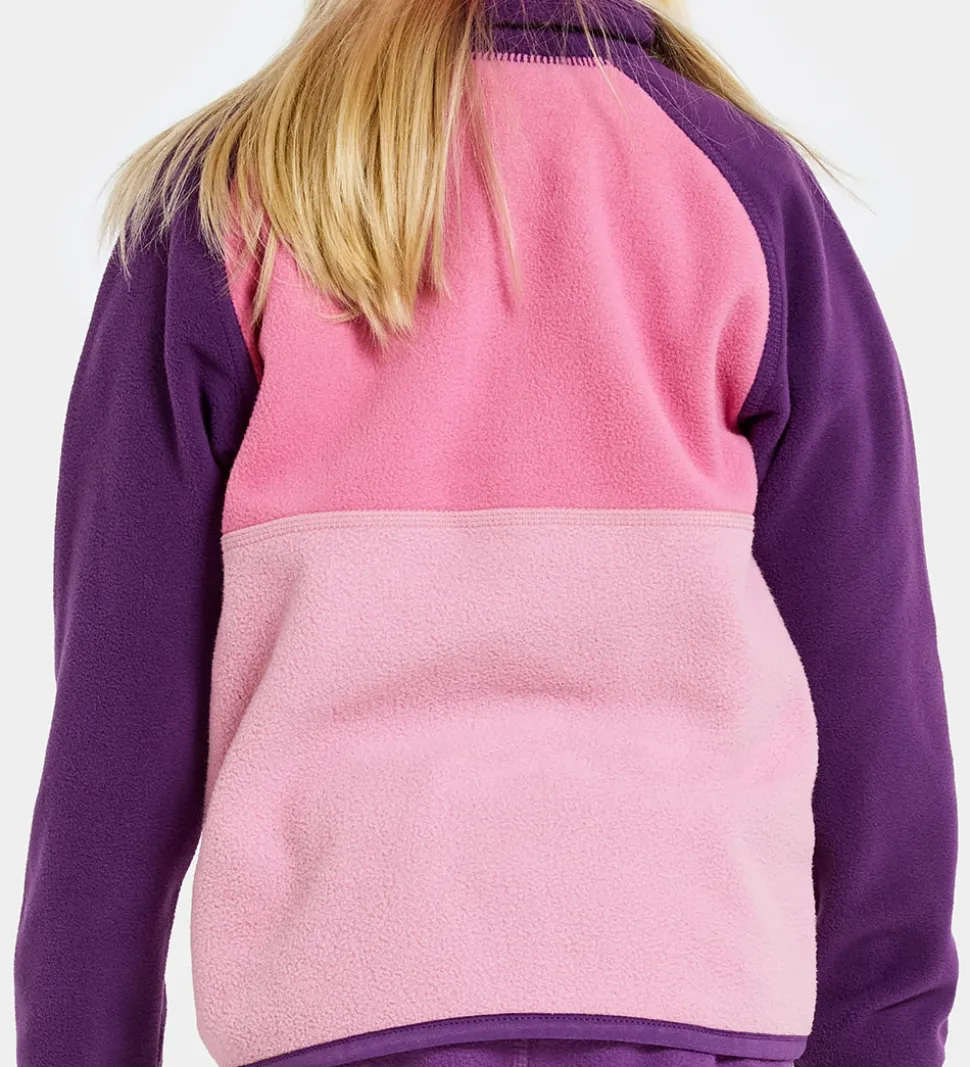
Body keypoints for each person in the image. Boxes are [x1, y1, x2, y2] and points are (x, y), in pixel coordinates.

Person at [12, 0, 959, 1066]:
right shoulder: (749, 187)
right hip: (694, 980)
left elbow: (118, 723)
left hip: (343, 997)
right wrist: (883, 1037)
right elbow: (876, 691)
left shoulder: (230, 196)